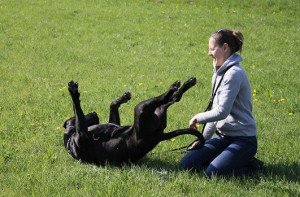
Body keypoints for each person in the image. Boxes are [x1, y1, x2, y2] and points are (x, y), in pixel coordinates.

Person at [180, 29, 263, 178]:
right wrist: (202, 140)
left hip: (243, 140)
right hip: (223, 137)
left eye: (212, 49)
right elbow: (215, 112)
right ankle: (227, 160)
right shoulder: (218, 73)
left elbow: (222, 112)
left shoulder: (234, 74)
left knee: (213, 173)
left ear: (224, 48)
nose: (209, 53)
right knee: (186, 164)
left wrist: (198, 117)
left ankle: (252, 166)